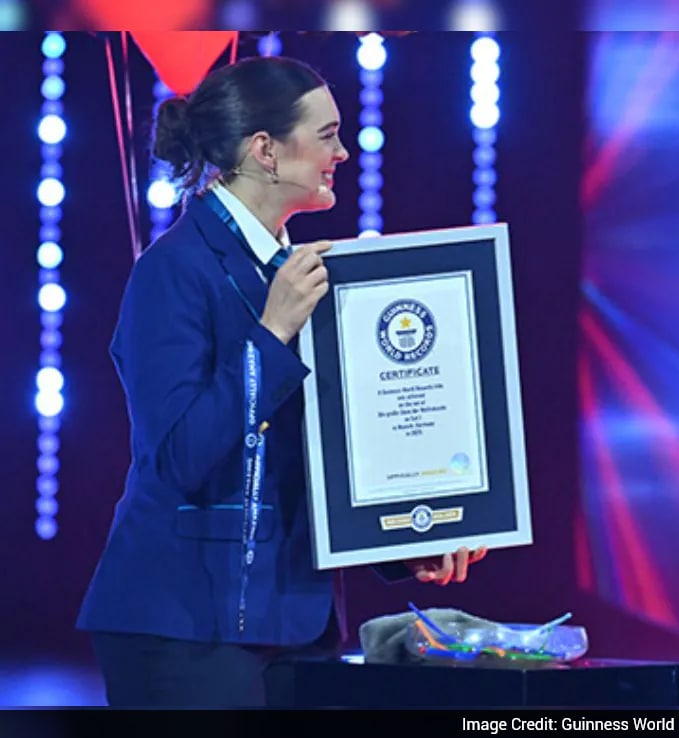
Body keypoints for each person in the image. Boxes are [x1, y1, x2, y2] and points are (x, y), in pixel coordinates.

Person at [76, 55, 485, 707]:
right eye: (327, 135)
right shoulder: (172, 271)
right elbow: (178, 458)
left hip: (294, 620)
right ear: (265, 149)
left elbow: (302, 461)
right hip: (186, 627)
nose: (344, 152)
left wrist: (405, 537)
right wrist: (269, 338)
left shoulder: (290, 272)